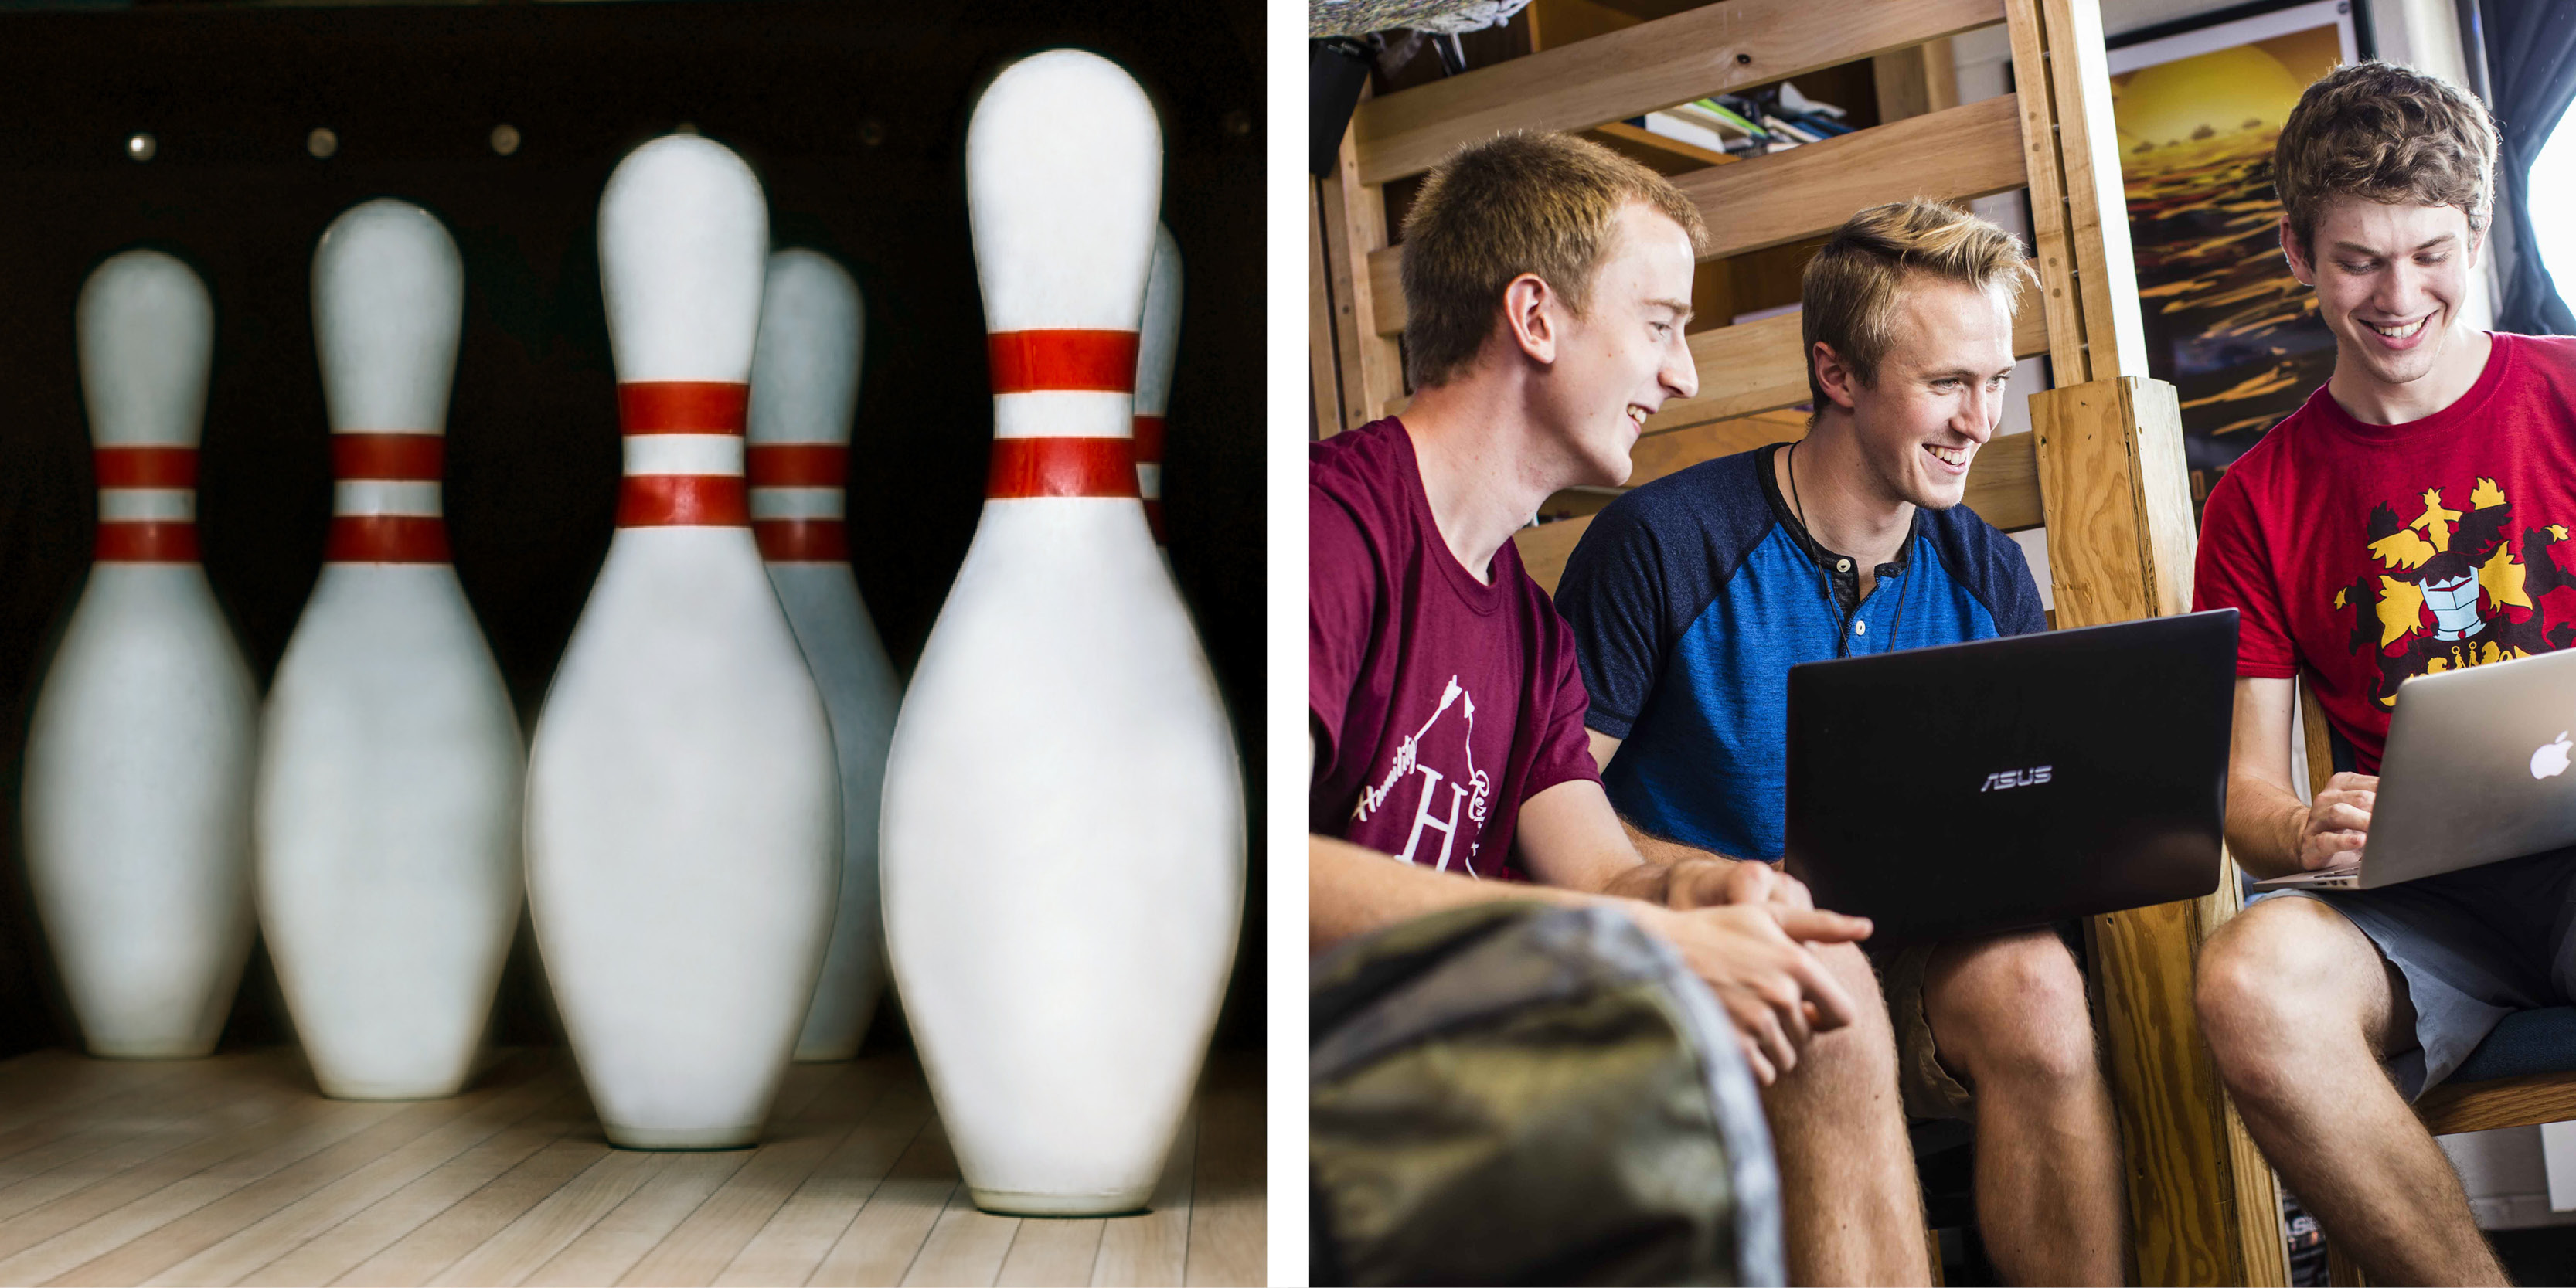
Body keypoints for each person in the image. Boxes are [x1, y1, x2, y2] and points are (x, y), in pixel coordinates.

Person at [1313, 129, 1930, 1286]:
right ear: (1536, 319)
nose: (1682, 374)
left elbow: (1595, 870)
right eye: (1658, 325)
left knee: (1822, 980)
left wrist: (1716, 893)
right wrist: (1643, 940)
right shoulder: (1329, 533)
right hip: (1309, 1069)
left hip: (1454, 1032)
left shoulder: (1526, 625)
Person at [1550, 199, 2124, 1286]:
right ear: (1838, 374)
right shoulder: (1662, 545)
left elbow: (2030, 796)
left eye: (1995, 381)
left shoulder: (1984, 568)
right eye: (1948, 384)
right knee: (1827, 995)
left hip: (1915, 945)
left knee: (2041, 991)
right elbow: (1553, 809)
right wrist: (1719, 880)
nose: (1980, 421)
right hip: (1710, 956)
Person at [2190, 59, 2576, 1286]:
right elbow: (2242, 798)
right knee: (2249, 979)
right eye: (2357, 259)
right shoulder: (2255, 498)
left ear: (2478, 237)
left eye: (2430, 254)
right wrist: (2303, 826)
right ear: (2296, 251)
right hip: (2423, 908)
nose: (2398, 296)